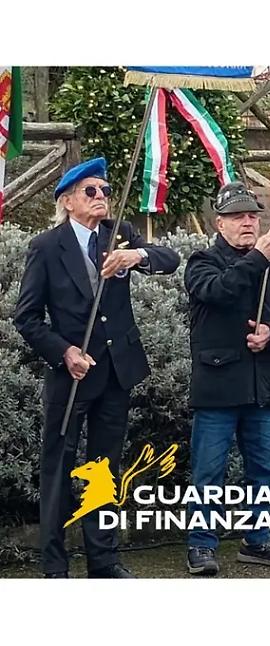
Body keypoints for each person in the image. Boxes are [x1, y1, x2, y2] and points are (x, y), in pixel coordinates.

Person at [12, 157, 180, 578]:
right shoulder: (47, 247)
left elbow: (170, 258)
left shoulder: (118, 235)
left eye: (104, 190)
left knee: (105, 469)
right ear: (68, 201)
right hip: (70, 377)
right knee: (58, 469)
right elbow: (27, 317)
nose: (102, 197)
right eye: (91, 191)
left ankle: (105, 562)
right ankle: (55, 566)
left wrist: (134, 255)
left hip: (115, 372)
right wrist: (64, 351)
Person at [182, 182, 270, 576]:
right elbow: (218, 291)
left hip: (260, 387)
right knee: (209, 471)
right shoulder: (202, 261)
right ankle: (201, 545)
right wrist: (256, 259)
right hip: (218, 388)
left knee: (266, 467)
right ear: (220, 223)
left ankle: (257, 539)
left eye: (252, 215)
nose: (248, 222)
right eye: (238, 217)